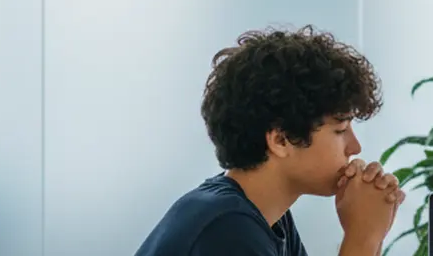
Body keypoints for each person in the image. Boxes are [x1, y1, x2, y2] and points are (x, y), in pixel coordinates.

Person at [135, 26, 407, 256]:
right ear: (281, 139)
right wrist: (362, 237)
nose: (355, 148)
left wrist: (372, 229)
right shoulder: (226, 229)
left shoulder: (267, 219)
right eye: (340, 130)